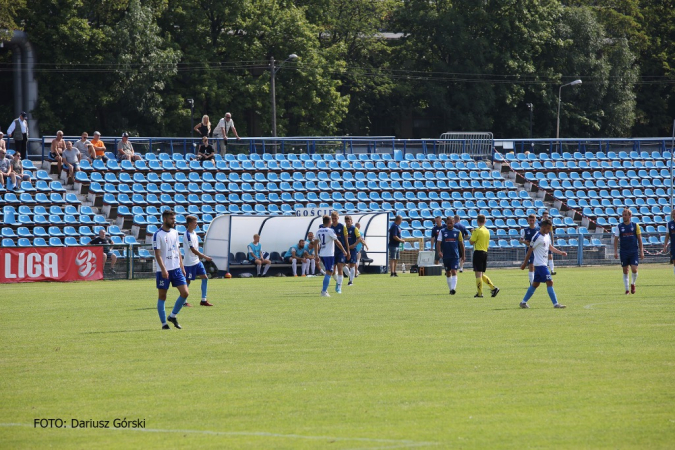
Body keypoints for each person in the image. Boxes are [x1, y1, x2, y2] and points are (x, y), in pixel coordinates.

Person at [519, 219, 567, 309]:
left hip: (543, 264)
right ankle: (556, 304)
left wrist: (560, 252)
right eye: (548, 228)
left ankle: (523, 302)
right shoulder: (536, 237)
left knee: (535, 284)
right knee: (550, 281)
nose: (549, 230)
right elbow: (529, 251)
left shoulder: (547, 235)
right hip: (539, 264)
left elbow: (550, 247)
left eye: (550, 229)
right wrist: (524, 263)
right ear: (543, 227)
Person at [153, 209, 189, 330]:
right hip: (164, 270)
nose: (174, 221)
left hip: (176, 269)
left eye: (174, 218)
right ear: (164, 219)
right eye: (172, 219)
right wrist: (163, 269)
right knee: (162, 296)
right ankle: (164, 324)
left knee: (185, 293)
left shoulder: (175, 232)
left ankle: (173, 315)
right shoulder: (158, 234)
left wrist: (182, 266)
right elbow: (157, 254)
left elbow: (177, 250)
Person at [182, 215, 213, 307]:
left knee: (205, 277)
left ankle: (203, 300)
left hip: (196, 261)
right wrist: (205, 257)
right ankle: (184, 301)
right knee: (187, 281)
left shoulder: (194, 233)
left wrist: (199, 258)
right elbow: (192, 249)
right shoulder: (187, 235)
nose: (196, 224)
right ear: (190, 224)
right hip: (189, 262)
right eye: (195, 223)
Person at [316, 215, 348, 297]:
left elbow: (315, 243)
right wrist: (344, 251)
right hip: (329, 254)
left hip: (322, 254)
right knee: (329, 273)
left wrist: (316, 255)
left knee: (329, 272)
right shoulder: (330, 231)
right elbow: (337, 242)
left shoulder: (318, 231)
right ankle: (324, 291)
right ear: (329, 222)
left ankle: (328, 289)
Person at [613, 209, 644, 294]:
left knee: (634, 269)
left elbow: (639, 239)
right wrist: (615, 252)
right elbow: (615, 240)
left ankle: (633, 284)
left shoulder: (635, 225)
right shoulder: (619, 226)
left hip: (633, 251)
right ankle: (627, 290)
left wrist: (641, 251)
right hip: (624, 251)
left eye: (625, 215)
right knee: (625, 270)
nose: (624, 216)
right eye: (623, 215)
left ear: (630, 216)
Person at [469, 214, 499, 298]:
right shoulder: (487, 230)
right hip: (485, 252)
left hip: (478, 252)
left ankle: (480, 293)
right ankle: (493, 288)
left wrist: (472, 234)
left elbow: (471, 242)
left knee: (478, 274)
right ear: (485, 221)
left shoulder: (477, 230)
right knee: (481, 274)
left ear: (477, 221)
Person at [437, 216, 465, 295]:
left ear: (453, 223)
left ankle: (453, 289)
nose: (449, 224)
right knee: (448, 272)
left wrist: (463, 255)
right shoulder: (442, 231)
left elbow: (461, 244)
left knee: (454, 271)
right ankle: (450, 289)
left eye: (451, 223)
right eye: (448, 223)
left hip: (455, 256)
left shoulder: (457, 232)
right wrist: (439, 251)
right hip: (446, 256)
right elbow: (438, 243)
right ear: (446, 223)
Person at [330, 211, 350, 293]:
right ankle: (338, 282)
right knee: (333, 271)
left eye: (335, 218)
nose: (334, 220)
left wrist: (348, 251)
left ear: (338, 218)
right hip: (332, 250)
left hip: (341, 250)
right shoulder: (329, 227)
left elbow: (346, 240)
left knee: (340, 267)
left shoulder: (342, 227)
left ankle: (339, 287)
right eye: (333, 218)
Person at [519, 214, 539, 285]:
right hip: (529, 250)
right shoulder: (525, 230)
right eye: (530, 220)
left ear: (535, 220)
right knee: (531, 265)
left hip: (537, 250)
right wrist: (525, 242)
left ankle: (535, 280)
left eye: (533, 220)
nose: (531, 221)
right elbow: (521, 240)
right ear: (528, 220)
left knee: (536, 266)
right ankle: (532, 282)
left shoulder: (538, 230)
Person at [344, 215, 361, 286]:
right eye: (347, 221)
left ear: (351, 221)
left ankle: (350, 281)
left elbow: (359, 238)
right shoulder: (343, 228)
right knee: (342, 265)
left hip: (353, 249)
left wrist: (354, 245)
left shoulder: (354, 229)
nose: (348, 222)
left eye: (349, 221)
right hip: (345, 249)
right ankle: (349, 274)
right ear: (345, 221)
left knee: (352, 265)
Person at [662, 210, 675, 277]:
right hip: (673, 246)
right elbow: (667, 236)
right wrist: (665, 246)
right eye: (673, 214)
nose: (674, 216)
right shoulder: (669, 224)